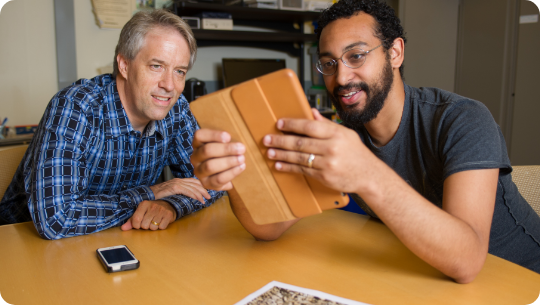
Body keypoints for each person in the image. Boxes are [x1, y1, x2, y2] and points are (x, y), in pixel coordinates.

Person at [190, 0, 540, 283]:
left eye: (356, 56)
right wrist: (234, 178)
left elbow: (467, 260)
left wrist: (366, 172)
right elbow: (268, 227)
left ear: (395, 53)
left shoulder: (463, 120)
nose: (341, 77)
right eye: (329, 63)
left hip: (517, 279)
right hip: (423, 278)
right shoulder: (345, 134)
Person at [0, 9, 223, 239]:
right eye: (156, 66)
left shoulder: (175, 108)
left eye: (179, 71)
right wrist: (153, 193)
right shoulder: (75, 108)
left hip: (116, 238)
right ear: (124, 65)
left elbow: (213, 181)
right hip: (22, 243)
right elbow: (57, 219)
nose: (169, 85)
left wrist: (171, 206)